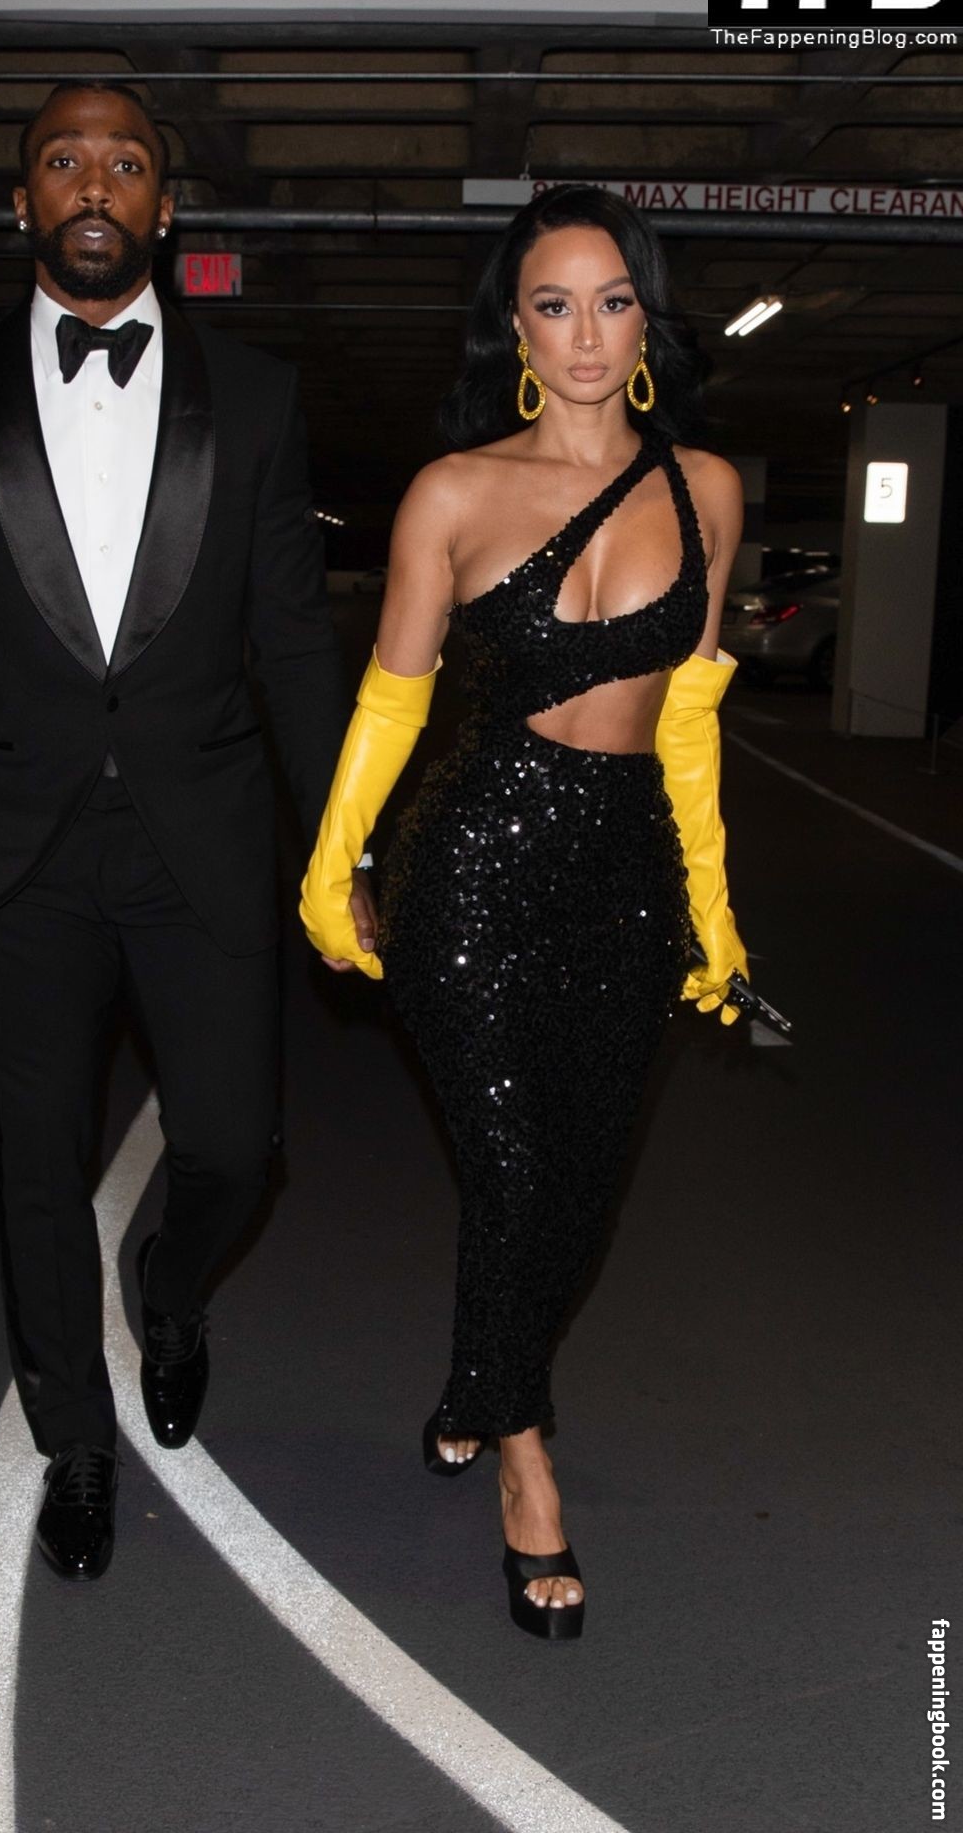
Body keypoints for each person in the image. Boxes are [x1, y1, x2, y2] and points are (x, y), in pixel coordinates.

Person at [0, 80, 362, 1581]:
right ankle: (74, 1434)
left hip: (203, 840)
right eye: (63, 160)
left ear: (164, 206)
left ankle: (173, 1291)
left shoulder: (256, 398)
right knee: (36, 1157)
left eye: (125, 162)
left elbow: (294, 645)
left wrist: (341, 844)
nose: (94, 182)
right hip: (14, 848)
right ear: (22, 201)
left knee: (236, 1149)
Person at [301, 183, 749, 1639]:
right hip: (471, 868)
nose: (585, 333)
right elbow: (392, 699)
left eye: (612, 301)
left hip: (627, 875)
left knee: (582, 1195)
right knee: (508, 1172)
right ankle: (524, 1459)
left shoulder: (709, 489)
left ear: (646, 321)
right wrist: (332, 864)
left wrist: (715, 909)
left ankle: (475, 1381)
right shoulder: (453, 493)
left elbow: (688, 724)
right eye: (554, 304)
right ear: (517, 326)